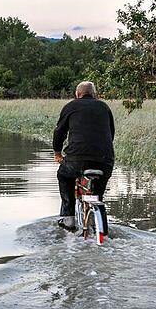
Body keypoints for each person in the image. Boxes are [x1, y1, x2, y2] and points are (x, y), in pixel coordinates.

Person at [52, 81, 115, 229]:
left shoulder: (70, 106)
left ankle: (68, 218)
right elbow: (110, 134)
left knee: (64, 176)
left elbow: (59, 132)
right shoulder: (104, 107)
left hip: (76, 160)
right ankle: (98, 219)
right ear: (94, 94)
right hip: (105, 161)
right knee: (98, 195)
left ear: (77, 94)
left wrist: (57, 152)